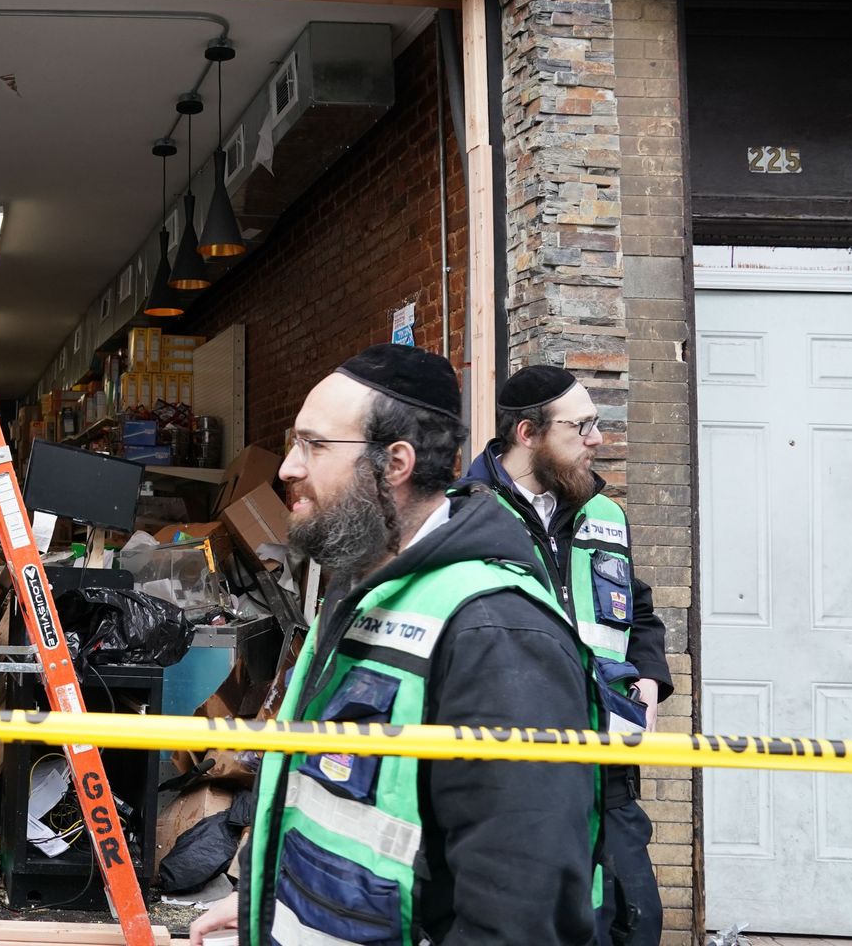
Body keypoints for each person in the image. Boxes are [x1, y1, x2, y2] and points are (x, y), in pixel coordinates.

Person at [188, 344, 601, 945]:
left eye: (314, 445)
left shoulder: (496, 631)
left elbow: (520, 912)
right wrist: (269, 900)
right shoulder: (358, 591)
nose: (287, 468)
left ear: (395, 463)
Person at [456, 364, 672, 946]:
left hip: (609, 767)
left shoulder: (604, 513)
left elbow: (639, 609)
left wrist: (649, 679)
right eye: (581, 427)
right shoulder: (461, 517)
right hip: (515, 773)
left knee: (633, 923)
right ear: (528, 435)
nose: (596, 440)